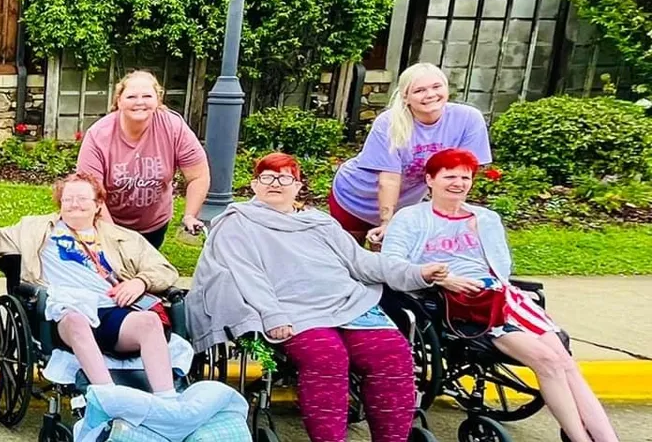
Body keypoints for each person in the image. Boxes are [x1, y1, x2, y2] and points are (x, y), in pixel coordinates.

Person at [191, 152, 447, 442]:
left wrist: (416, 272)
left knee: (392, 353)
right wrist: (273, 315)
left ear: (298, 186)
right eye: (267, 177)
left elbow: (362, 262)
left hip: (347, 302)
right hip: (290, 309)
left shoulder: (320, 223)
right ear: (254, 185)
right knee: (326, 356)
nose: (275, 183)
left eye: (284, 178)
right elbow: (247, 275)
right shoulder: (236, 223)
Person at [381, 149, 618, 442]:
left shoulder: (485, 218)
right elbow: (391, 266)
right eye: (449, 176)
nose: (458, 183)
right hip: (460, 306)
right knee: (547, 361)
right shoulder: (410, 218)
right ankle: (579, 437)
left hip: (502, 298)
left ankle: (607, 438)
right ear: (430, 180)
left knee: (564, 361)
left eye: (465, 177)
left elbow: (501, 269)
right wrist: (439, 278)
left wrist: (487, 276)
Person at [0, 173, 180, 395]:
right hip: (64, 311)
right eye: (68, 199)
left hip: (112, 308)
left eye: (82, 198)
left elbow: (165, 270)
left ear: (98, 204)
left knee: (149, 322)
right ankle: (108, 396)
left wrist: (140, 282)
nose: (74, 204)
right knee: (76, 320)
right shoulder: (33, 229)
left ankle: (167, 400)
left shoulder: (123, 237)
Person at [332, 63, 493, 245]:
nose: (430, 94)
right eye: (419, 90)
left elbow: (460, 175)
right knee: (349, 255)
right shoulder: (388, 122)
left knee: (392, 255)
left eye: (436, 87)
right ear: (405, 96)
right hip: (354, 196)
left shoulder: (468, 119)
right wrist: (387, 222)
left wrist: (449, 217)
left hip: (404, 203)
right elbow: (389, 179)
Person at [74, 70, 208, 249]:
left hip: (154, 225)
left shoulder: (173, 127)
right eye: (131, 96)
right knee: (114, 265)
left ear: (158, 100)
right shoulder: (98, 135)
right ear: (119, 101)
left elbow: (198, 176)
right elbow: (90, 192)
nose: (139, 102)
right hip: (109, 221)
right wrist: (113, 235)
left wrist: (190, 215)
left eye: (147, 96)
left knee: (146, 264)